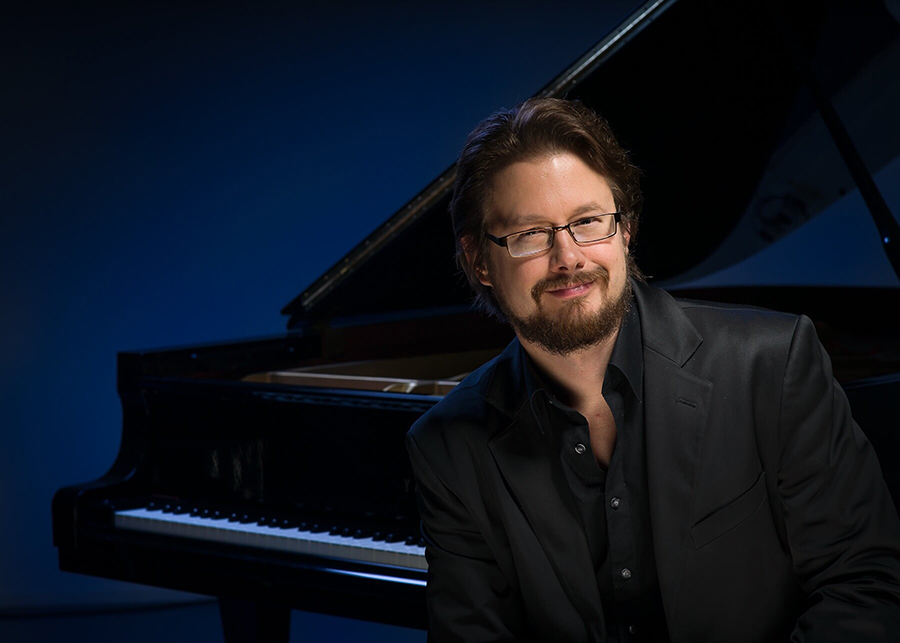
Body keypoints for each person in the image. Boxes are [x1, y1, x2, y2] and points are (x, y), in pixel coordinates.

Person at [405, 97, 900, 642]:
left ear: (625, 229)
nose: (568, 257)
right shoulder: (446, 446)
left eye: (588, 222)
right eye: (530, 234)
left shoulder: (772, 365)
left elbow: (867, 588)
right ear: (480, 261)